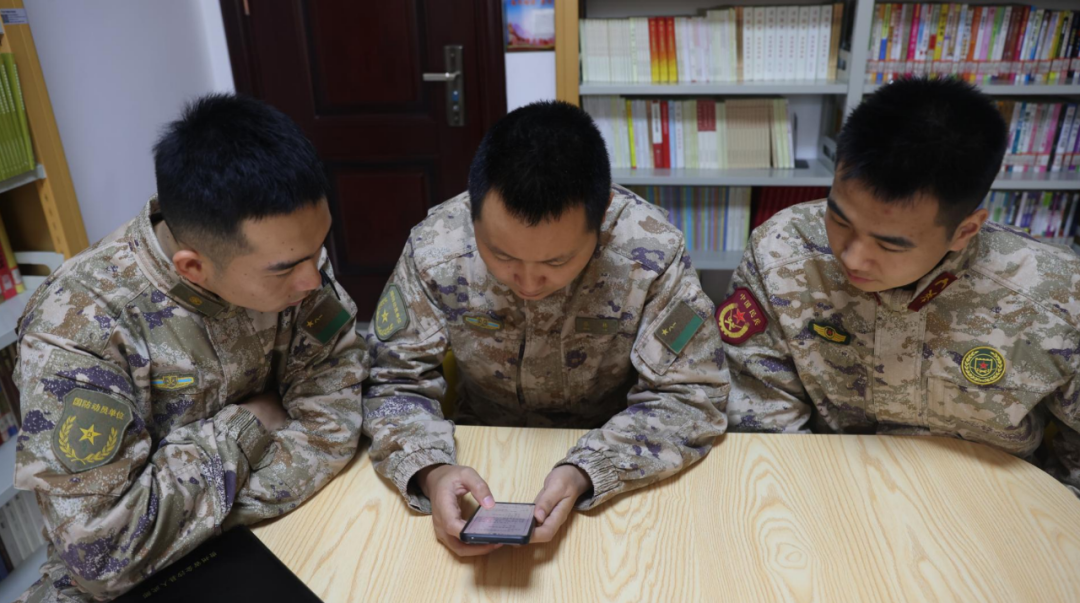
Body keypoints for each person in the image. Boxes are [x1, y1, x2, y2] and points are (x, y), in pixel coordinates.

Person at [13, 94, 367, 602]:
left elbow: (334, 419)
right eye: (288, 268)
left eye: (319, 248)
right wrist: (246, 425)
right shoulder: (78, 327)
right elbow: (103, 558)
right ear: (193, 268)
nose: (313, 279)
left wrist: (184, 516)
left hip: (271, 543)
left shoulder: (288, 254)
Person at [363, 101, 729, 556]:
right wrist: (430, 471)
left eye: (556, 261)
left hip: (612, 460)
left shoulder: (650, 252)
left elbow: (690, 395)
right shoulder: (436, 247)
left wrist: (587, 470)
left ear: (603, 215)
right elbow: (391, 381)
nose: (529, 283)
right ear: (472, 211)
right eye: (502, 256)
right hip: (478, 453)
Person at [721, 77, 1080, 495]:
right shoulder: (780, 252)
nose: (853, 258)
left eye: (889, 245)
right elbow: (763, 424)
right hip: (826, 490)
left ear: (964, 231)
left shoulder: (1057, 294)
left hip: (991, 504)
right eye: (839, 219)